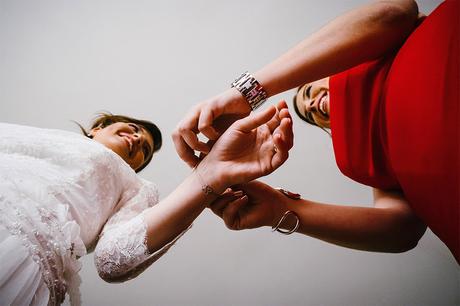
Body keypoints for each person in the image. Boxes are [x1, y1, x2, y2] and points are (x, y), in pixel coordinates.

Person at [173, 0, 459, 263]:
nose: (310, 104)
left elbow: (397, 12)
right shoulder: (361, 159)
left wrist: (248, 93)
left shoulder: (369, 51)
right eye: (309, 113)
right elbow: (403, 230)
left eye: (309, 91)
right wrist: (279, 208)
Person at [0, 108, 293, 305]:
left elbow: (112, 260)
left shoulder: (134, 188)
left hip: (18, 257)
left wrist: (207, 179)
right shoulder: (47, 136)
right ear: (96, 128)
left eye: (145, 150)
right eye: (134, 129)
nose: (138, 139)